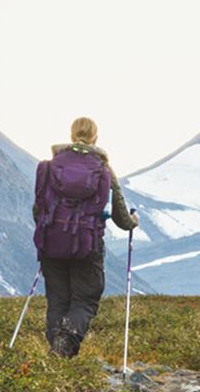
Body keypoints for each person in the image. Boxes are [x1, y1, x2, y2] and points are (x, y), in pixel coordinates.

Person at [33, 116, 138, 357]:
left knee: (57, 299)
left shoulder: (50, 167)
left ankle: (56, 355)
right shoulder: (103, 170)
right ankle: (64, 348)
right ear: (95, 138)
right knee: (86, 299)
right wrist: (133, 222)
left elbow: (38, 209)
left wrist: (54, 228)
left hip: (51, 242)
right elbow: (121, 218)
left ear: (71, 136)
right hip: (86, 245)